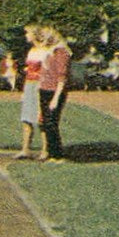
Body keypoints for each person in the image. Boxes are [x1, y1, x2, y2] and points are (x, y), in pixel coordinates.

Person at [37, 27, 73, 161]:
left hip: (54, 91)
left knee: (51, 123)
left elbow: (62, 77)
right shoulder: (50, 51)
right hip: (45, 89)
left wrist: (56, 98)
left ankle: (58, 154)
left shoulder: (61, 52)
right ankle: (52, 153)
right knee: (46, 123)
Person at [17, 26, 48, 159]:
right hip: (29, 85)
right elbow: (28, 72)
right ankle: (25, 149)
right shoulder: (32, 50)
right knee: (26, 118)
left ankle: (45, 150)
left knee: (41, 119)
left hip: (39, 86)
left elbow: (47, 72)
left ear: (35, 34)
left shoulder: (45, 51)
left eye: (28, 33)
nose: (26, 36)